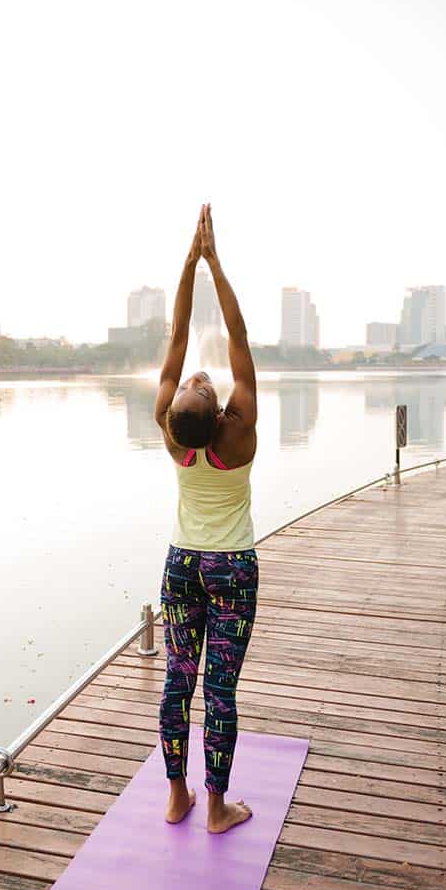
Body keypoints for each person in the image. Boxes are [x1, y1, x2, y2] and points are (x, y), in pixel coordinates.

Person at [153, 203, 259, 833]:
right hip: (232, 569)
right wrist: (214, 262)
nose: (195, 374)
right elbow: (239, 339)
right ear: (217, 411)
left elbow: (175, 341)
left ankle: (177, 797)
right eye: (201, 383)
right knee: (218, 690)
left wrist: (186, 266)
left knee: (177, 682)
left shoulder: (174, 438)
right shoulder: (237, 439)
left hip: (182, 564)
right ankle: (214, 808)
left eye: (192, 382)